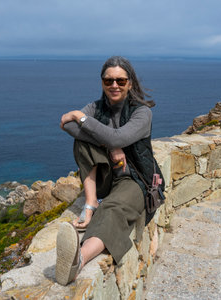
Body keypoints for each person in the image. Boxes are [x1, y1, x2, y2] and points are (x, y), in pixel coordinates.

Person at [56, 56, 164, 285]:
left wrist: (79, 116)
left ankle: (79, 260)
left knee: (113, 209)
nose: (114, 85)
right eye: (108, 81)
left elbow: (119, 136)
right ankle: (91, 202)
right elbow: (68, 127)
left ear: (130, 83)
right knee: (83, 142)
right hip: (108, 174)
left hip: (135, 180)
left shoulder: (141, 113)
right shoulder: (97, 107)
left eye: (120, 81)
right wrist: (110, 145)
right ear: (102, 83)